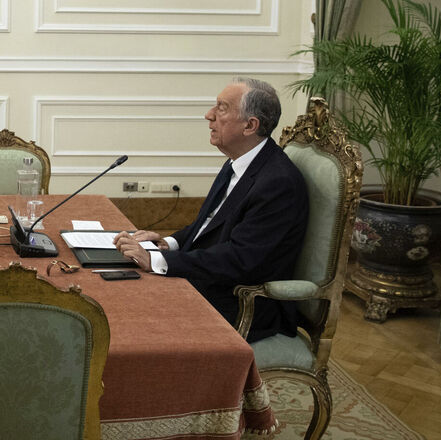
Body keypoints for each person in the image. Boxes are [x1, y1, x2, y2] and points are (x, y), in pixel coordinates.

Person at [114, 77, 308, 341]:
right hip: (213, 281)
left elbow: (240, 259)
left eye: (222, 108)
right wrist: (168, 243)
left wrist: (157, 261)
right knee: (116, 285)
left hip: (241, 303)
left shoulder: (278, 183)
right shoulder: (238, 161)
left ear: (250, 126)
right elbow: (209, 224)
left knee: (130, 311)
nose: (209, 115)